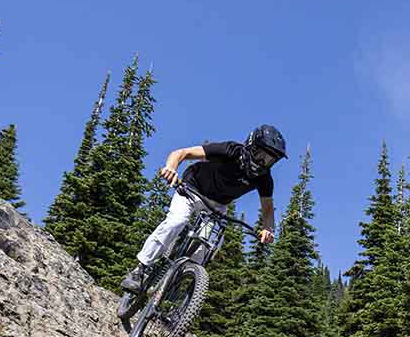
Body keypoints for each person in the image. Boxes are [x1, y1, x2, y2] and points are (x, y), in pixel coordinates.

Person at [121, 124, 286, 292]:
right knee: (176, 222)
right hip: (192, 189)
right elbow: (181, 153)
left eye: (270, 160)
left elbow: (267, 208)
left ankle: (175, 286)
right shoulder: (229, 150)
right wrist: (171, 168)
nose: (263, 163)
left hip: (217, 206)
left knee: (209, 246)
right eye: (261, 155)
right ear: (252, 146)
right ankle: (139, 270)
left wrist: (268, 228)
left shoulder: (264, 179)